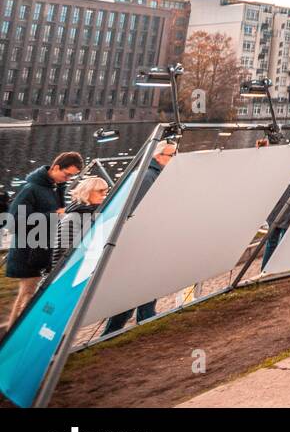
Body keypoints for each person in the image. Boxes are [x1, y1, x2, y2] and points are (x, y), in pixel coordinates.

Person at [100, 142, 176, 336]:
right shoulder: (147, 176)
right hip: (140, 242)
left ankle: (145, 319)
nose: (175, 159)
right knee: (134, 287)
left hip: (148, 240)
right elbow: (137, 211)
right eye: (172, 155)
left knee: (144, 284)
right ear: (159, 156)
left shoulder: (155, 174)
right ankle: (118, 329)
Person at [3, 151, 83, 331]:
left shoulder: (55, 187)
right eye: (67, 174)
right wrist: (54, 215)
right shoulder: (31, 189)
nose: (68, 179)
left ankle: (15, 335)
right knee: (28, 297)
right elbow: (13, 221)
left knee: (28, 296)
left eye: (72, 176)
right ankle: (14, 338)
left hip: (41, 251)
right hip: (28, 253)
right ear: (55, 167)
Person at [51, 175, 109, 268]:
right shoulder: (72, 218)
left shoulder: (99, 216)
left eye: (105, 192)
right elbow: (61, 254)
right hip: (76, 274)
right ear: (87, 192)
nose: (104, 195)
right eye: (100, 191)